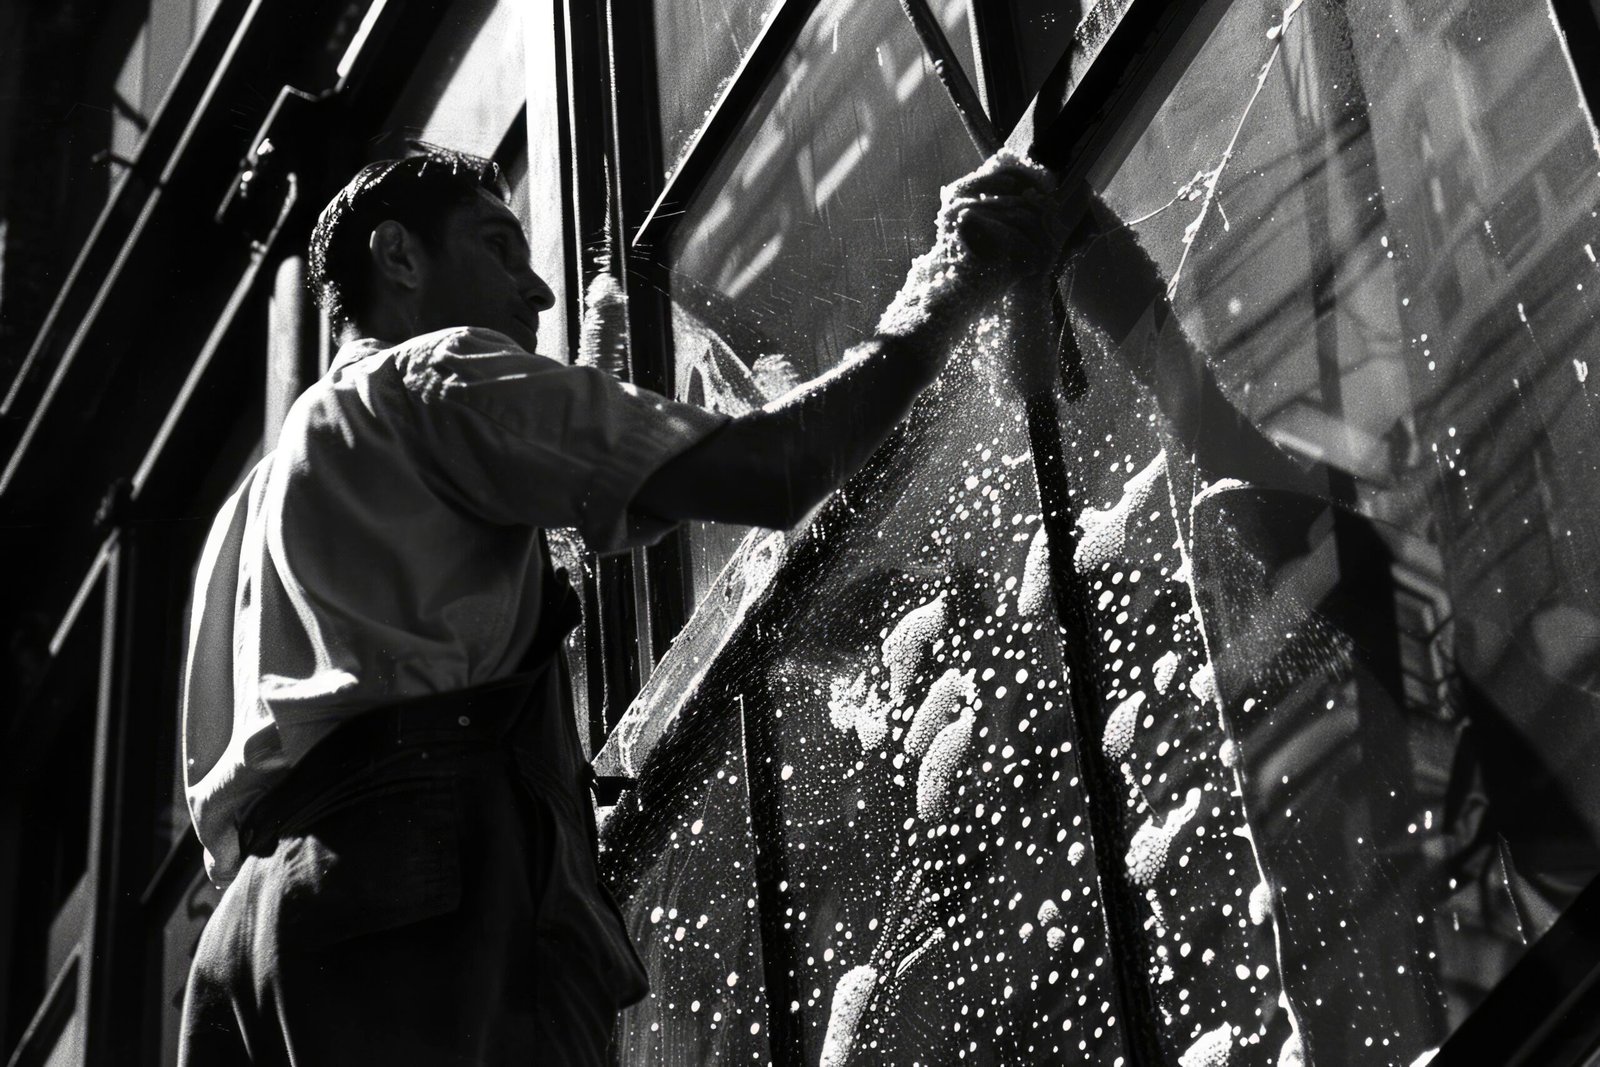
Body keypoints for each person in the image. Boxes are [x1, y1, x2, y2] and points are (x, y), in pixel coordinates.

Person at [176, 145, 1064, 1065]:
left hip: (250, 947)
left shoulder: (246, 512)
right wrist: (947, 291)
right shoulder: (434, 375)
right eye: (497, 247)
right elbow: (769, 470)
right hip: (415, 887)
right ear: (398, 257)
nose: (538, 295)